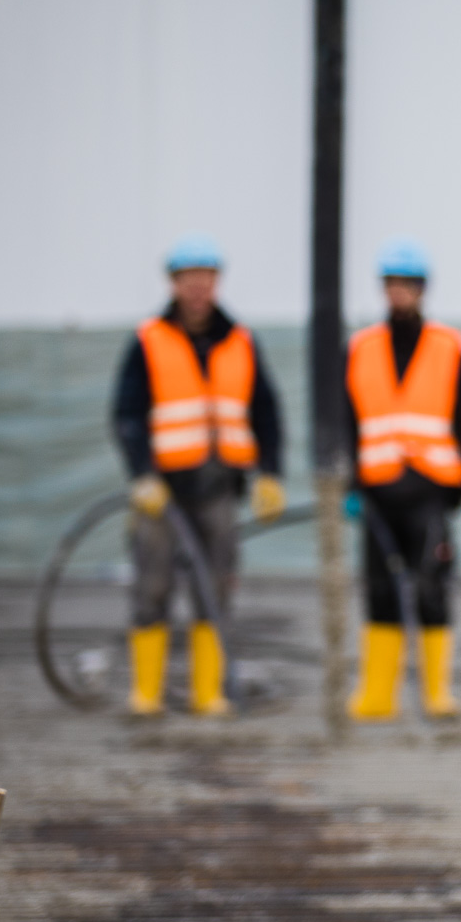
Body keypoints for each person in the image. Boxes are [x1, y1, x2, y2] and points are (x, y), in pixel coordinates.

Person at [111, 236, 285, 716]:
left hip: (219, 487)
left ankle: (207, 692)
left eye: (205, 276)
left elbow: (266, 412)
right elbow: (128, 414)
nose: (197, 287)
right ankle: (146, 692)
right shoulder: (149, 339)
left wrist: (270, 474)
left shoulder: (241, 340)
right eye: (189, 277)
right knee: (152, 585)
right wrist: (141, 474)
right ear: (174, 282)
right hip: (162, 492)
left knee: (215, 587)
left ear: (216, 281)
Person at [344, 239, 461, 720]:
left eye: (407, 285)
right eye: (392, 285)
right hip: (377, 493)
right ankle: (377, 695)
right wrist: (348, 484)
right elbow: (346, 422)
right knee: (379, 589)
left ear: (421, 290)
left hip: (431, 492)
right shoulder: (361, 348)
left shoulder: (449, 348)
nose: (399, 294)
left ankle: (436, 693)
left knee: (431, 587)